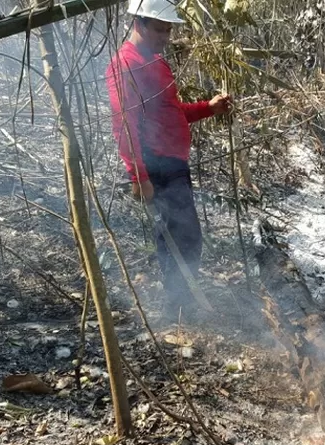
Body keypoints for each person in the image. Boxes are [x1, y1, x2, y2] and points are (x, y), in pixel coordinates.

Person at [105, 0, 232, 318]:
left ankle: (181, 304)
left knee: (182, 235)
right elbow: (124, 122)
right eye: (160, 29)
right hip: (156, 163)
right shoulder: (125, 65)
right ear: (139, 25)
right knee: (181, 237)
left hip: (173, 161)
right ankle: (179, 306)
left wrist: (208, 108)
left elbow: (169, 112)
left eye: (168, 29)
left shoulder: (155, 61)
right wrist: (139, 175)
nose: (166, 36)